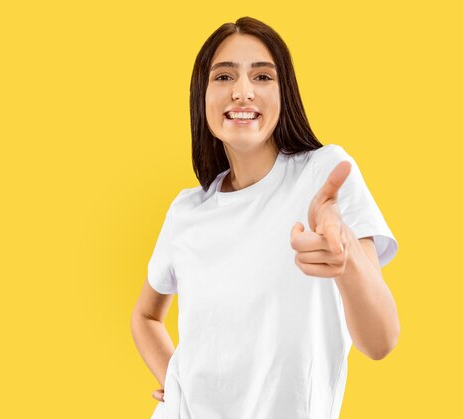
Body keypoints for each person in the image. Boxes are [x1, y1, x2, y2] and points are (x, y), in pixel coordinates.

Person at [131, 16, 400, 419]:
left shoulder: (324, 173)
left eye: (261, 76)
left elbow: (380, 340)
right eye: (223, 77)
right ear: (201, 97)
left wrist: (344, 263)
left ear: (284, 92)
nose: (242, 92)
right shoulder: (187, 210)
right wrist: (175, 382)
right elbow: (146, 315)